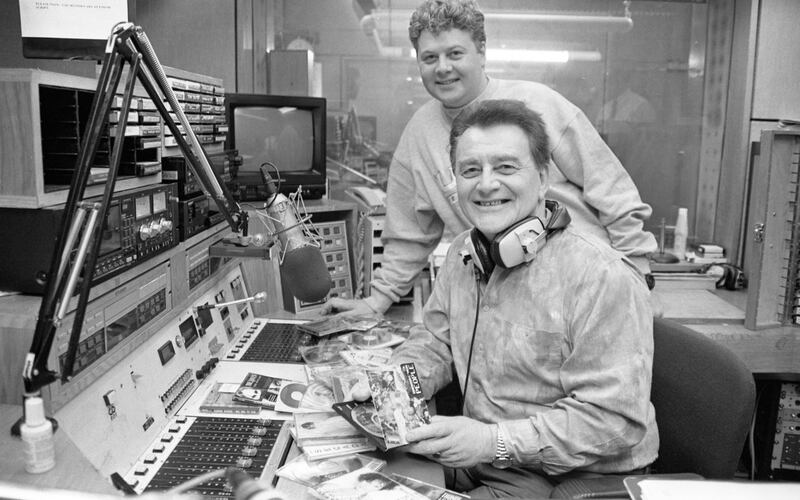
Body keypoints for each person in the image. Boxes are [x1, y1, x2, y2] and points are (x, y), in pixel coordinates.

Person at [367, 99, 658, 498]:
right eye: (470, 170)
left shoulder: (602, 276)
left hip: (564, 477)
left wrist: (493, 441)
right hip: (478, 456)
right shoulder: (463, 254)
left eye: (505, 167)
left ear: (542, 179)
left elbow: (613, 421)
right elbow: (435, 343)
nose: (486, 184)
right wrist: (390, 386)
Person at [325, 0, 658, 317]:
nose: (443, 68)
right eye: (429, 58)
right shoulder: (419, 135)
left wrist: (638, 275)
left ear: (482, 51)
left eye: (455, 53)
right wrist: (377, 301)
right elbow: (407, 235)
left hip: (589, 284)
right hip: (507, 299)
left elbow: (613, 192)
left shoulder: (540, 103)